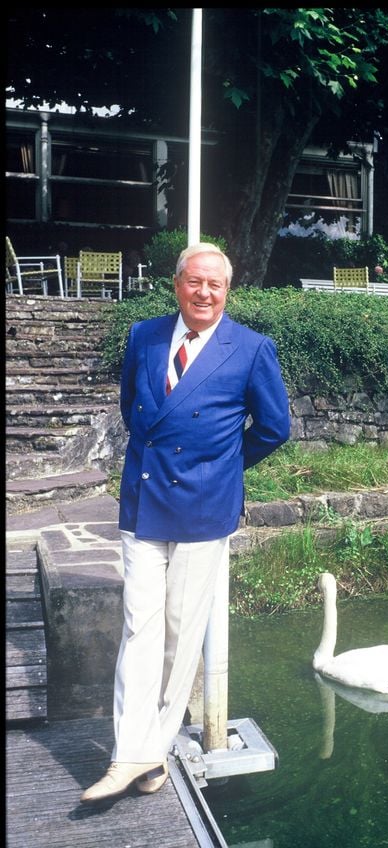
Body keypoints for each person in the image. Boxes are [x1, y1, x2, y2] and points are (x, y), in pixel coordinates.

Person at [81, 242, 290, 802]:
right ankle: (132, 756)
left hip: (205, 510)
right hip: (143, 502)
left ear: (228, 291)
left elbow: (274, 428)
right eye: (194, 282)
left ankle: (152, 753)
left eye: (215, 285)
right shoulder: (143, 336)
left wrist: (221, 467)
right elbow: (133, 409)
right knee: (138, 629)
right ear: (176, 285)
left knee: (179, 637)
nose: (204, 293)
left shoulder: (250, 349)